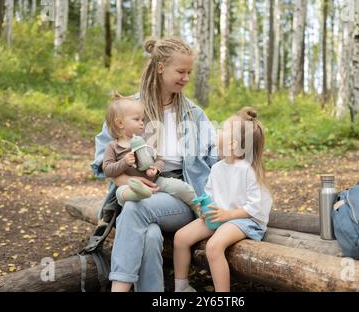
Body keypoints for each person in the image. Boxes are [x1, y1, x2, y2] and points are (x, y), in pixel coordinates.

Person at [91, 37, 217, 292]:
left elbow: (215, 160)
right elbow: (101, 160)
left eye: (189, 72)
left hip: (181, 195)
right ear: (160, 67)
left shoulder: (194, 114)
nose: (186, 78)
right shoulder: (128, 110)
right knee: (148, 235)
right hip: (136, 188)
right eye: (180, 72)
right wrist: (125, 180)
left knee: (136, 209)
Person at [173, 107, 272, 292]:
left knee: (214, 247)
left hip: (245, 218)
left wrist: (229, 214)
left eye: (222, 130)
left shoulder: (246, 170)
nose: (217, 133)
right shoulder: (217, 168)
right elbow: (210, 194)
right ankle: (181, 287)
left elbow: (256, 207)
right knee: (180, 238)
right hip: (221, 216)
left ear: (233, 144)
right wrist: (205, 209)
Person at [102, 94, 197, 212]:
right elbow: (107, 170)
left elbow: (159, 159)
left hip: (155, 181)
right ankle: (138, 194)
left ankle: (197, 207)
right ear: (120, 123)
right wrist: (124, 162)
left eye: (142, 119)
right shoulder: (113, 147)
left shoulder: (146, 141)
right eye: (137, 119)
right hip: (130, 184)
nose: (142, 123)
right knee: (121, 192)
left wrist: (156, 169)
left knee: (180, 186)